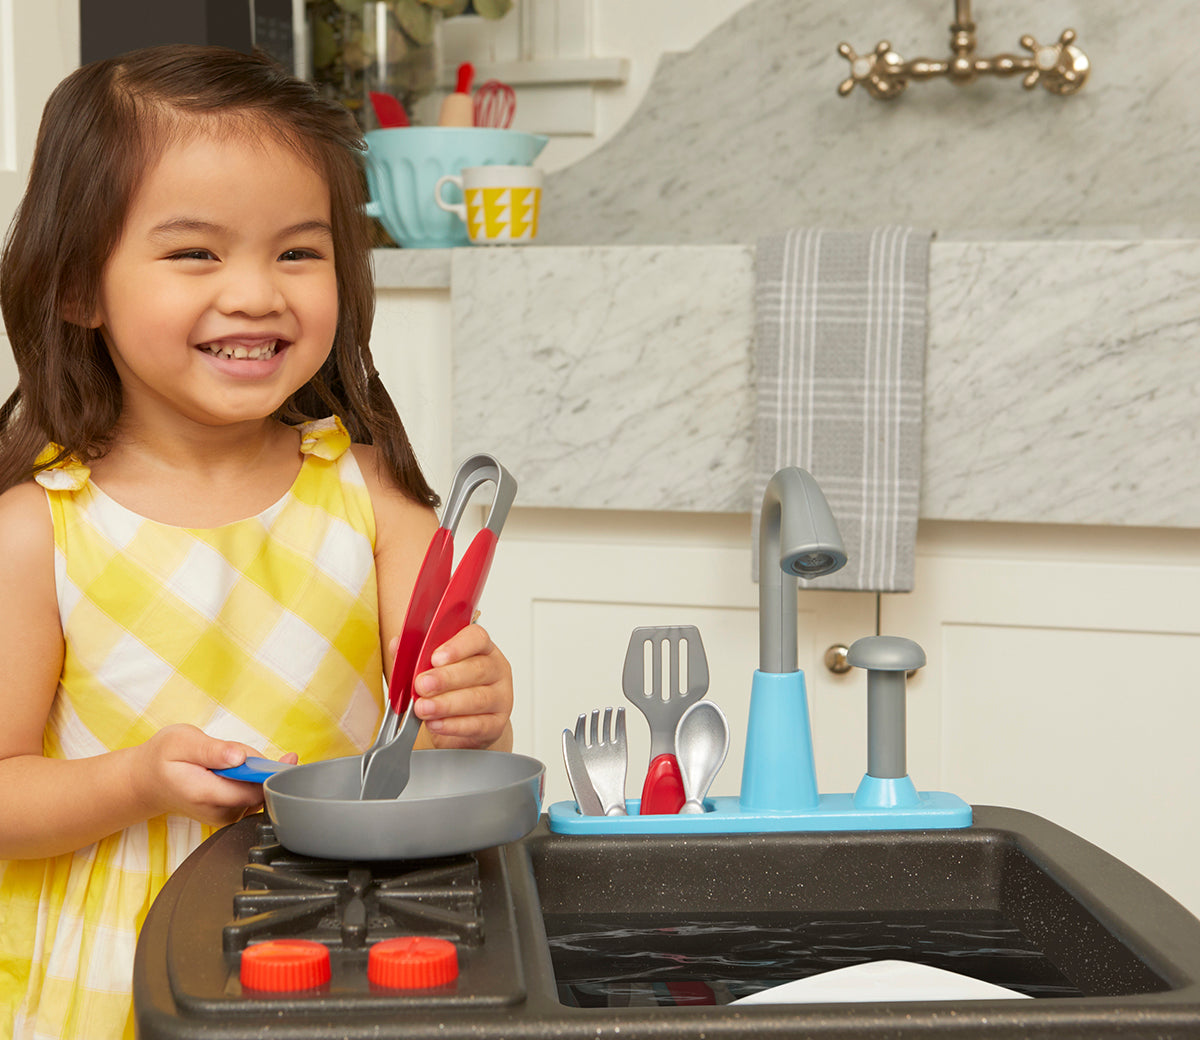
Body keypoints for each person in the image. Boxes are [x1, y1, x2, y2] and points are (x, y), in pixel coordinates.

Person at [0, 44, 514, 1039]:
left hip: (353, 943)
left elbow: (440, 731)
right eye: (196, 253)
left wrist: (481, 709)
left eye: (297, 252)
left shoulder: (371, 499)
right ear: (77, 286)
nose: (256, 293)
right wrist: (137, 780)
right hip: (117, 973)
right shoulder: (37, 533)